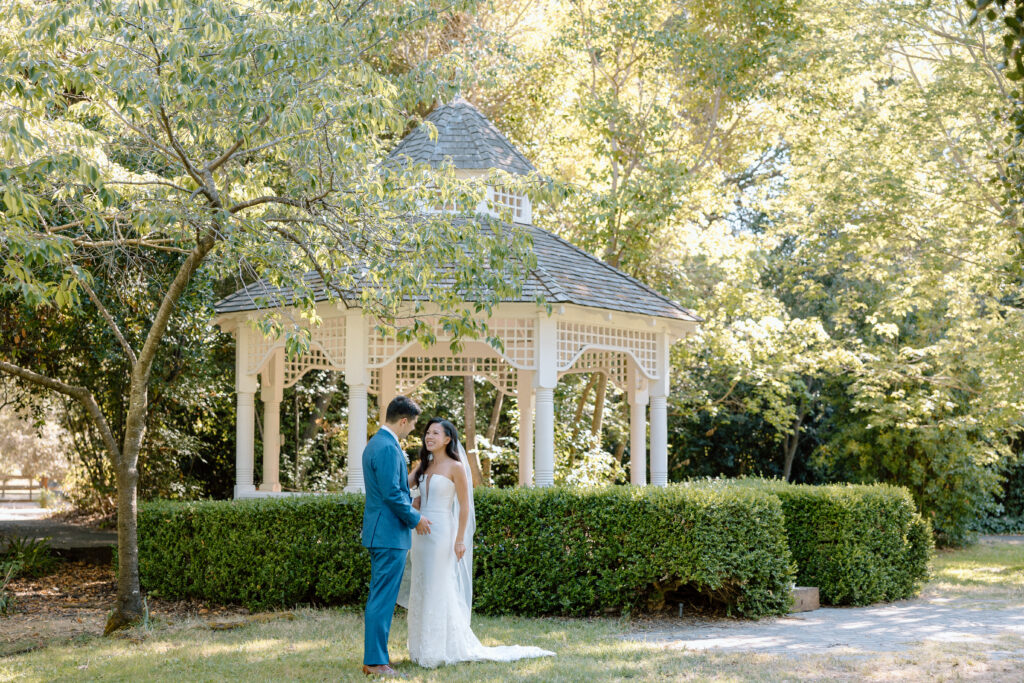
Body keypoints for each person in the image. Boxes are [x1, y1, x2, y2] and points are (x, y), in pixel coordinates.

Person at [402, 418, 555, 668]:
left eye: (435, 433)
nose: (429, 437)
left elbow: (464, 506)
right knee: (422, 585)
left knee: (438, 585)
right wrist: (414, 502)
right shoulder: (423, 466)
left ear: (447, 439)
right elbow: (403, 487)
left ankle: (440, 647)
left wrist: (460, 539)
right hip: (420, 534)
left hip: (443, 533)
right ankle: (420, 647)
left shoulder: (456, 467)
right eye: (427, 432)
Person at [361, 396, 432, 678]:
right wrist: (416, 518)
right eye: (412, 425)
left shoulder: (375, 443)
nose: (412, 430)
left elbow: (391, 491)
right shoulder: (389, 448)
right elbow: (391, 494)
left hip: (381, 531)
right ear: (403, 421)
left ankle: (376, 657)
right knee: (382, 598)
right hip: (389, 533)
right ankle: (375, 661)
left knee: (381, 596)